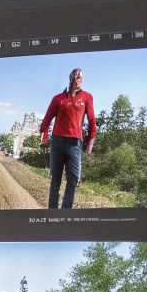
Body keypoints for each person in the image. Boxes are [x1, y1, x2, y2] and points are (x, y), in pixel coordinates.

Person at [38, 67, 96, 209]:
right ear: (71, 78)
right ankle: (52, 212)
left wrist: (90, 143)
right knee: (55, 179)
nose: (79, 79)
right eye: (77, 77)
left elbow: (92, 120)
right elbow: (47, 119)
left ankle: (65, 212)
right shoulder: (58, 98)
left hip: (75, 144)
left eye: (81, 77)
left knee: (73, 179)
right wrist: (44, 135)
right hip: (57, 142)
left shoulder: (87, 97)